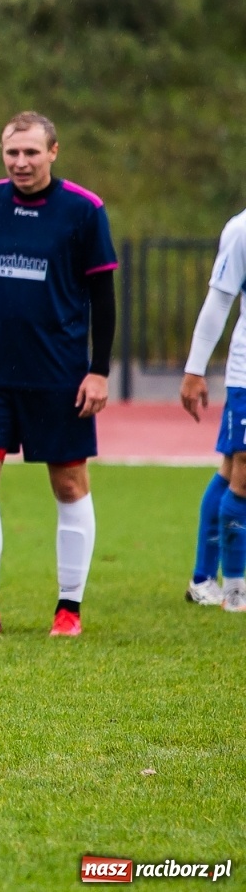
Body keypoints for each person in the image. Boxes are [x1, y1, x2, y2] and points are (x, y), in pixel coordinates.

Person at [0, 112, 117, 637]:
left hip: (58, 374)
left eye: (31, 152)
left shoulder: (83, 211)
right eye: (12, 153)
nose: (21, 162)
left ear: (53, 152)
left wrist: (98, 371)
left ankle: (69, 610)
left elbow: (103, 298)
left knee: (69, 484)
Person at [178, 209, 246, 612]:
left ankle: (203, 579)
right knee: (242, 471)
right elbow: (219, 301)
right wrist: (194, 370)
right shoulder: (241, 230)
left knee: (228, 471)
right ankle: (235, 590)